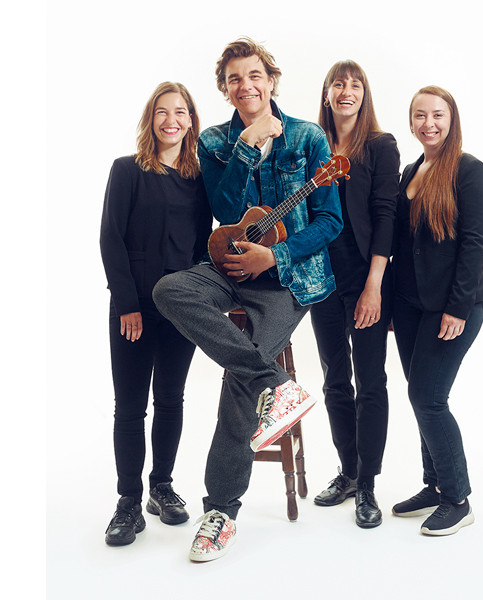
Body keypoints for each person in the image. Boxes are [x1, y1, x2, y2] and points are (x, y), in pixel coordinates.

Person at [152, 37, 343, 561]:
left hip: (288, 280)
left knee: (241, 375)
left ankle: (220, 512)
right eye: (235, 78)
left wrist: (275, 256)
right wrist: (246, 146)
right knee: (170, 289)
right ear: (224, 88)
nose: (246, 86)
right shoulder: (215, 140)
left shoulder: (307, 137)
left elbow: (330, 220)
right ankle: (274, 385)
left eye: (254, 75)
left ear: (271, 80)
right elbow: (225, 207)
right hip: (230, 267)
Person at [100, 82, 212, 546]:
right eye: (163, 112)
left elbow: (202, 245)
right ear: (151, 119)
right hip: (135, 307)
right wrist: (127, 304)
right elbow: (111, 238)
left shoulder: (199, 180)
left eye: (180, 112)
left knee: (170, 399)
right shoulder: (127, 170)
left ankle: (161, 487)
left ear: (191, 121)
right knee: (130, 406)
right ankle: (128, 501)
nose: (172, 120)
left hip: (180, 307)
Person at [390, 85, 483, 536]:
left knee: (429, 398)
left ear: (452, 120)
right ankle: (434, 485)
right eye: (420, 115)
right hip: (410, 306)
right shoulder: (412, 170)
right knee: (420, 395)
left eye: (437, 115)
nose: (428, 123)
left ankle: (457, 499)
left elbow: (474, 244)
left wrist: (458, 308)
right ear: (411, 122)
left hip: (453, 306)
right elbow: (401, 243)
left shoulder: (470, 170)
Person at [310, 61, 399, 528]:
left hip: (366, 279)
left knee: (371, 381)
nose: (347, 91)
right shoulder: (312, 146)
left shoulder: (380, 146)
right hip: (320, 280)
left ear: (365, 94)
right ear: (326, 93)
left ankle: (367, 484)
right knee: (334, 379)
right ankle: (347, 471)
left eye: (355, 84)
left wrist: (374, 286)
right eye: (338, 84)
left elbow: (386, 217)